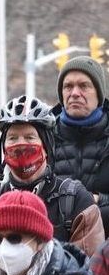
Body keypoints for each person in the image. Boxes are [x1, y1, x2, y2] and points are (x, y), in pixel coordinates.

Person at [0, 95, 103, 275]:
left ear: (46, 146)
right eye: (13, 138)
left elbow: (88, 269)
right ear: (3, 148)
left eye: (30, 137)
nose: (20, 144)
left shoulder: (75, 201)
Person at [51, 56, 109, 233]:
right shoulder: (42, 136)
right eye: (68, 86)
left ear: (98, 93)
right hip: (53, 246)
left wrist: (100, 200)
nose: (75, 93)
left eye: (84, 86)